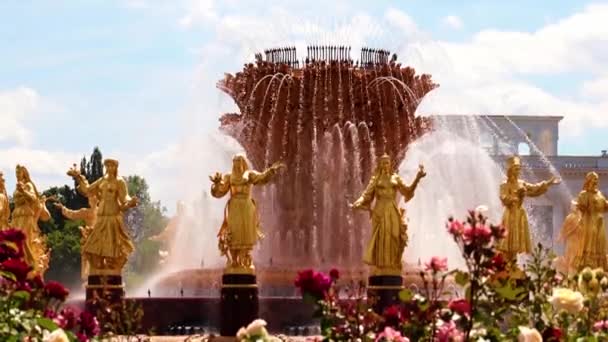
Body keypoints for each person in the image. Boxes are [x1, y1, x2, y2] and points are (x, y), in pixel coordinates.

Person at [351, 154, 426, 275]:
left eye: (387, 162)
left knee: (395, 236)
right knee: (381, 237)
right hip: (380, 210)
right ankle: (380, 267)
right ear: (380, 165)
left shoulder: (395, 178)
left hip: (392, 210)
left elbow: (407, 191)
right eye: (383, 162)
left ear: (390, 164)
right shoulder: (375, 179)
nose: (385, 165)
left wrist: (417, 178)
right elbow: (366, 195)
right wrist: (357, 202)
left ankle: (393, 264)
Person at [210, 153, 285, 272]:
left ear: (243, 163)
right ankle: (234, 261)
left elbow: (261, 178)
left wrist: (270, 171)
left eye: (239, 161)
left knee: (246, 233)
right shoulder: (229, 177)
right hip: (234, 207)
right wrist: (216, 184)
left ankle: (244, 260)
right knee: (233, 233)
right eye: (235, 162)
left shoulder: (249, 174)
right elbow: (219, 192)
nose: (237, 164)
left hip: (247, 207)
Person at [67, 159, 137, 274]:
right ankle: (97, 265)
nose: (109, 168)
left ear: (116, 168)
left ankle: (111, 266)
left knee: (113, 245)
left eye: (112, 166)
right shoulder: (102, 180)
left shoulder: (120, 182)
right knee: (92, 244)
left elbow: (125, 198)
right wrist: (78, 177)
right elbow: (88, 190)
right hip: (102, 216)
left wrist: (130, 202)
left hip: (113, 216)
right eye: (107, 166)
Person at [498, 156, 560, 260]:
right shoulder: (505, 184)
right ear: (511, 170)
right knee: (508, 241)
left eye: (519, 168)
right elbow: (503, 197)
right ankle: (507, 264)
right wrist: (515, 196)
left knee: (516, 242)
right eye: (516, 169)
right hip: (510, 214)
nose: (518, 171)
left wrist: (549, 183)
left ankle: (513, 263)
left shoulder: (522, 183)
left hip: (519, 214)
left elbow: (534, 189)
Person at [11, 165, 51, 275]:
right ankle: (18, 262)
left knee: (24, 240)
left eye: (19, 173)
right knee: (14, 242)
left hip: (26, 215)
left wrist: (23, 191)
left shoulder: (28, 185)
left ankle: (30, 263)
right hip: (17, 216)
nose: (17, 175)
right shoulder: (17, 187)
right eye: (16, 173)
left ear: (24, 174)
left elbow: (33, 198)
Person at [55, 194, 98, 280]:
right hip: (89, 238)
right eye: (90, 199)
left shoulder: (103, 212)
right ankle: (89, 277)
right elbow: (73, 214)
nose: (91, 201)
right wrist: (63, 208)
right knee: (89, 260)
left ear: (98, 201)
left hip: (101, 238)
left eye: (94, 199)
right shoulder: (85, 212)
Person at [573, 172, 608, 270]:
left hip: (599, 224)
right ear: (588, 180)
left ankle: (600, 267)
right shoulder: (584, 194)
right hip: (589, 223)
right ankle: (588, 265)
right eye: (594, 179)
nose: (596, 181)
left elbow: (605, 206)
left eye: (597, 179)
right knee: (590, 245)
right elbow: (581, 206)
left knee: (601, 244)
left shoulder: (599, 194)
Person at [557, 200, 581, 275]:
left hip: (577, 241)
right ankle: (570, 275)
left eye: (573, 206)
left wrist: (561, 236)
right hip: (572, 241)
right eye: (572, 205)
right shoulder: (571, 217)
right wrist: (560, 236)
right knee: (571, 257)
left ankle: (573, 274)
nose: (572, 207)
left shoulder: (580, 217)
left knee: (575, 258)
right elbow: (564, 228)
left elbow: (564, 228)